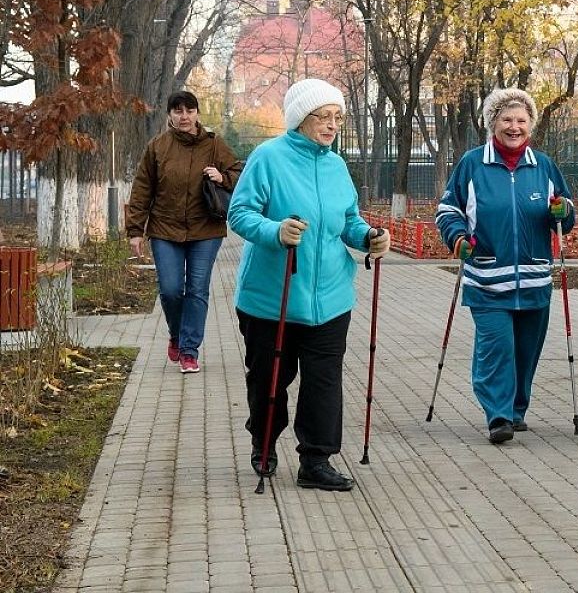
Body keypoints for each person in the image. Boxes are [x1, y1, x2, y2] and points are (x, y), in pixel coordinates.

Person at [228, 78, 390, 492]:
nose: (332, 124)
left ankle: (316, 460)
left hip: (331, 296)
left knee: (324, 380)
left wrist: (369, 237)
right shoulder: (268, 158)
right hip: (272, 296)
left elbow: (348, 221)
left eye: (338, 117)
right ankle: (263, 442)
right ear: (301, 118)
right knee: (269, 378)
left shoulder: (337, 165)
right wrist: (275, 230)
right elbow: (240, 214)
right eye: (324, 116)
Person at [435, 88, 575, 445]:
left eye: (521, 120)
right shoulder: (472, 164)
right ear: (492, 123)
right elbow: (448, 210)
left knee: (526, 352)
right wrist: (457, 238)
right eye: (507, 119)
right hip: (487, 278)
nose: (514, 127)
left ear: (530, 125)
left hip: (533, 279)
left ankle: (516, 409)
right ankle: (497, 414)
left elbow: (565, 211)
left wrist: (563, 212)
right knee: (496, 348)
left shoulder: (542, 166)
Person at [127, 91, 241, 374]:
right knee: (170, 289)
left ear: (197, 114)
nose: (184, 116)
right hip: (165, 229)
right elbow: (142, 189)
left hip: (206, 230)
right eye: (177, 111)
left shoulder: (214, 145)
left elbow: (241, 172)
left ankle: (189, 351)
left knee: (197, 289)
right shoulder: (158, 147)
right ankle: (177, 335)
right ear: (170, 116)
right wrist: (135, 230)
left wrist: (222, 177)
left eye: (189, 110)